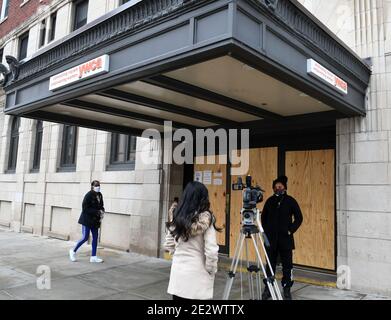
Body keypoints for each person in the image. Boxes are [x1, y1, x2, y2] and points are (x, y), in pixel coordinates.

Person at [164, 181, 221, 300]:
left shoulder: (176, 216)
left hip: (178, 276)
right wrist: (211, 270)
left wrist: (177, 258)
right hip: (198, 277)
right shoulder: (206, 220)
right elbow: (211, 251)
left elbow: (169, 243)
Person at [261, 175, 303, 300]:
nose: (278, 188)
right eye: (276, 186)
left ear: (285, 187)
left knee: (287, 266)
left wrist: (291, 230)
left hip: (286, 240)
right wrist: (266, 232)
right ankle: (268, 288)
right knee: (270, 265)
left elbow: (299, 218)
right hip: (271, 241)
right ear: (273, 188)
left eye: (281, 186)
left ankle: (286, 289)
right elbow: (263, 218)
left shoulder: (290, 201)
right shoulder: (269, 201)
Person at [69, 180, 105, 263]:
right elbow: (85, 208)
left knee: (95, 238)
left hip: (95, 221)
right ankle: (73, 251)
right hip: (87, 220)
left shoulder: (100, 195)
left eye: (99, 185)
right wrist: (97, 212)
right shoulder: (88, 195)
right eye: (96, 185)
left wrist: (102, 211)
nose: (98, 187)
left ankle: (93, 257)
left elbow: (101, 205)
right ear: (92, 186)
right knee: (85, 237)